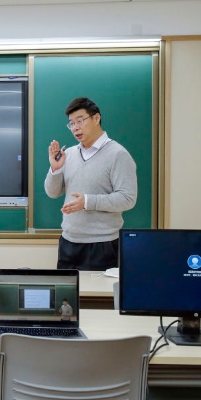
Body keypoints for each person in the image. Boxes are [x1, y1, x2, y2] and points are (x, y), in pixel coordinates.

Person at [44, 97, 137, 271]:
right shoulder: (69, 154)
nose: (75, 127)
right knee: (67, 290)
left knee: (97, 290)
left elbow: (127, 198)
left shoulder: (118, 155)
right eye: (71, 123)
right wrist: (55, 169)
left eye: (80, 121)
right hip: (68, 242)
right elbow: (52, 193)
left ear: (96, 118)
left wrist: (87, 202)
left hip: (102, 245)